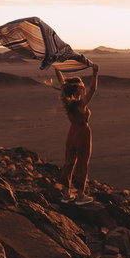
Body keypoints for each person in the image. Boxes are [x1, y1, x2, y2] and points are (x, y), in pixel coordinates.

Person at [53, 64, 99, 205]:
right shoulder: (80, 104)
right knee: (82, 163)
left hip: (71, 133)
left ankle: (66, 194)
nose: (83, 88)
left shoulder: (69, 103)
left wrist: (57, 68)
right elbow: (93, 91)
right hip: (82, 134)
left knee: (69, 162)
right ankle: (80, 195)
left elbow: (63, 84)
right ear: (77, 90)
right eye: (81, 86)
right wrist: (95, 73)